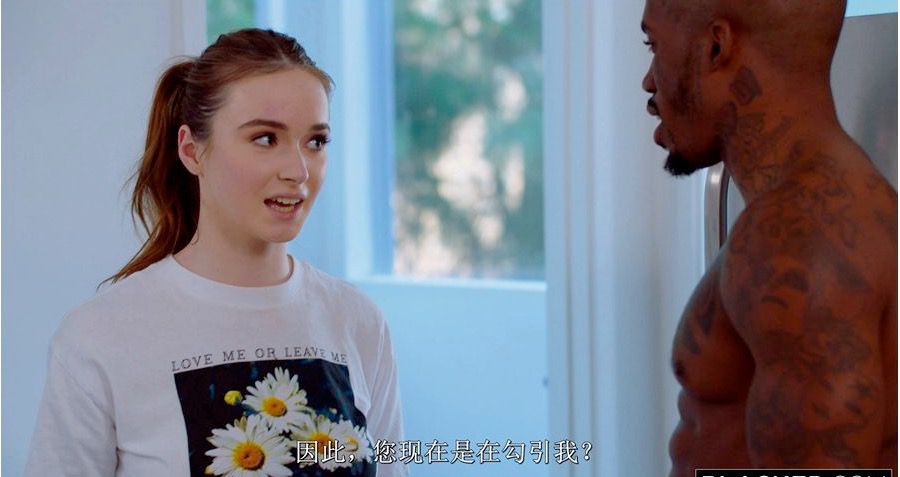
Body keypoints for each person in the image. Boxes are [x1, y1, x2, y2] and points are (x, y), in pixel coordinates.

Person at [25, 28, 407, 477]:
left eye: (316, 142)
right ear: (192, 151)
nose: (298, 170)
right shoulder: (99, 338)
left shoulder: (356, 321)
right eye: (265, 138)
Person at [640, 0, 897, 475]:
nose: (649, 82)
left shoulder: (798, 237)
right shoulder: (815, 211)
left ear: (716, 46)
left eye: (653, 45)